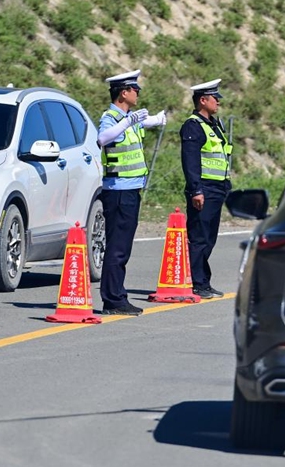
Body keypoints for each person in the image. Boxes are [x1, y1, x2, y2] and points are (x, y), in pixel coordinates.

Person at [98, 69, 166, 315]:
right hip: (118, 192)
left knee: (123, 248)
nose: (138, 93)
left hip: (130, 191)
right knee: (117, 248)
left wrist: (157, 119)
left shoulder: (128, 118)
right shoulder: (111, 118)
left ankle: (116, 296)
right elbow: (103, 138)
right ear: (123, 93)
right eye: (134, 89)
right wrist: (127, 122)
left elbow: (142, 123)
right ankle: (113, 300)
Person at [180, 78, 233, 299]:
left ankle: (203, 281)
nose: (218, 102)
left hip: (217, 188)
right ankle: (197, 282)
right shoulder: (193, 125)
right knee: (199, 238)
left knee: (209, 238)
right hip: (204, 188)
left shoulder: (214, 125)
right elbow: (190, 161)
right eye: (214, 98)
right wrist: (196, 190)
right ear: (203, 100)